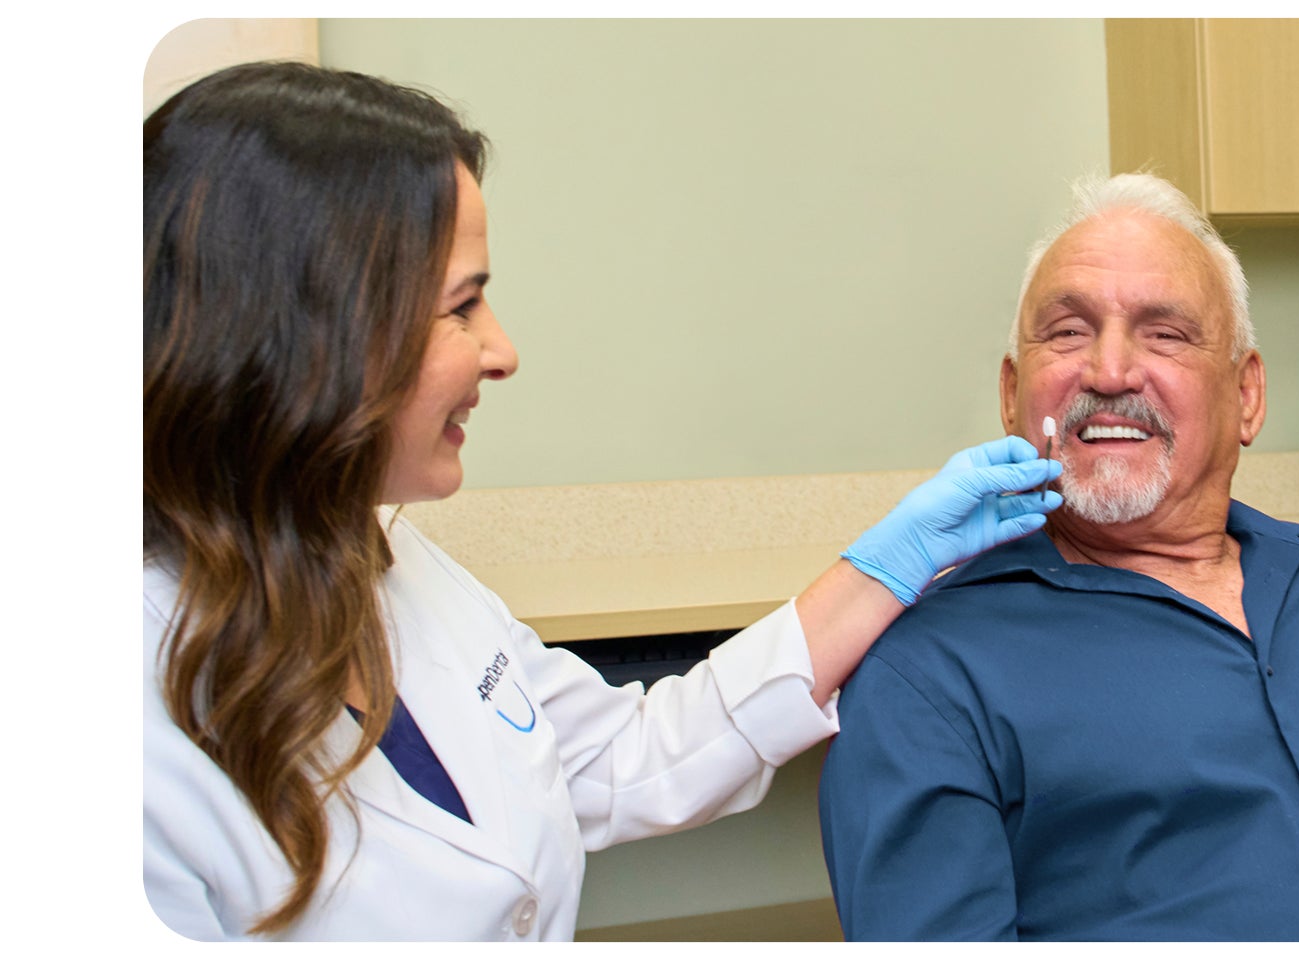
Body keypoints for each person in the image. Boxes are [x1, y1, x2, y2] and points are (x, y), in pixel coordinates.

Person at [142, 61, 1062, 941]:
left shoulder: (387, 563)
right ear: (310, 335)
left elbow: (625, 758)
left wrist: (883, 568)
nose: (501, 352)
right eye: (461, 308)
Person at [817, 171, 1299, 941]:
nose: (1109, 373)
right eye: (1069, 332)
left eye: (1166, 333)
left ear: (1246, 396)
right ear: (1012, 396)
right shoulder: (928, 677)